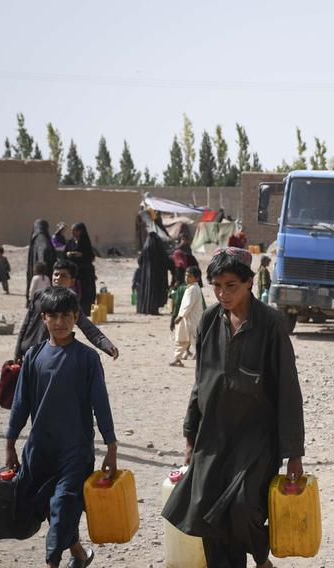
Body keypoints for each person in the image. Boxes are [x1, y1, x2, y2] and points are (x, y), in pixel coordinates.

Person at [162, 248, 306, 568]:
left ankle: (261, 559)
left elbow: (288, 390)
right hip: (213, 436)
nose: (223, 293)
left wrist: (293, 452)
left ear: (249, 283)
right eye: (217, 286)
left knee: (242, 507)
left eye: (231, 286)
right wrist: (190, 434)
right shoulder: (210, 321)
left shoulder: (270, 325)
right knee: (205, 511)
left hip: (256, 439)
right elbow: (200, 381)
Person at [5, 286, 118, 568]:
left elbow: (100, 404)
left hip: (75, 451)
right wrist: (10, 444)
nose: (60, 322)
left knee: (64, 505)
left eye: (66, 315)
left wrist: (111, 446)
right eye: (53, 316)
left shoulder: (87, 358)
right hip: (40, 450)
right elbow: (21, 405)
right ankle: (79, 553)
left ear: (75, 317)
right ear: (43, 318)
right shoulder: (33, 357)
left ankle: (53, 563)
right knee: (45, 507)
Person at [15, 259, 119, 362]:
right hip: (28, 350)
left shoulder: (70, 302)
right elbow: (26, 323)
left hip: (48, 355)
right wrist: (17, 351)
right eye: (56, 274)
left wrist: (107, 345)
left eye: (63, 276)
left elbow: (87, 327)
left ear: (72, 281)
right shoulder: (39, 295)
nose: (58, 278)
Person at [170, 266, 204, 366]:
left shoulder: (193, 289)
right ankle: (177, 359)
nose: (187, 278)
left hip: (191, 320)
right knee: (183, 339)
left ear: (197, 278)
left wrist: (180, 317)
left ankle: (203, 361)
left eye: (190, 276)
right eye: (186, 276)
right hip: (187, 319)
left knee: (194, 340)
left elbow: (188, 305)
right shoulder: (191, 288)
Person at [64, 223, 97, 315]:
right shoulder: (70, 242)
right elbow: (65, 253)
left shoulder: (85, 242)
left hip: (85, 272)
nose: (73, 232)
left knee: (85, 291)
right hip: (74, 272)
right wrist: (68, 254)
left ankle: (85, 311)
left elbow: (90, 256)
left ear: (80, 231)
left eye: (75, 230)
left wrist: (81, 255)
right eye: (72, 230)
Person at [136, 232, 170, 315]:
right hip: (158, 276)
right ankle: (155, 309)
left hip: (146, 277)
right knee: (156, 292)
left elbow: (139, 261)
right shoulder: (160, 249)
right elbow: (166, 261)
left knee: (146, 291)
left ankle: (145, 309)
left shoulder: (145, 249)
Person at [27, 219, 58, 307]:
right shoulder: (42, 237)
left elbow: (43, 250)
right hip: (44, 270)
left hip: (42, 270)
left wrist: (41, 266)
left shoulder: (40, 238)